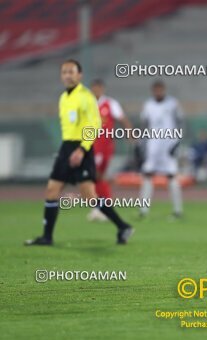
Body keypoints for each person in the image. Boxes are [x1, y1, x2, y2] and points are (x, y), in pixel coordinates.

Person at [25, 59, 134, 246]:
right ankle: (47, 237)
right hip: (66, 147)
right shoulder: (64, 97)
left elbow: (95, 124)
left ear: (79, 75)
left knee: (90, 196)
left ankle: (123, 226)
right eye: (64, 72)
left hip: (81, 148)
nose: (67, 75)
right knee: (52, 190)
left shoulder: (86, 96)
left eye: (71, 72)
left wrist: (82, 149)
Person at [87, 79, 133, 222]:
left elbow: (122, 119)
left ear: (103, 88)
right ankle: (103, 208)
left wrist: (129, 133)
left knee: (95, 176)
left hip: (104, 146)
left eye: (99, 87)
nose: (97, 90)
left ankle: (101, 208)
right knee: (97, 177)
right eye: (94, 87)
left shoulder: (110, 103)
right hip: (90, 145)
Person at [139, 80, 184, 218]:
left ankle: (177, 210)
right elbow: (145, 125)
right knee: (147, 174)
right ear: (153, 91)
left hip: (169, 145)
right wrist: (142, 143)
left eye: (160, 90)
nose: (158, 92)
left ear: (164, 90)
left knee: (171, 176)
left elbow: (181, 123)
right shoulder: (148, 105)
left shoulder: (173, 104)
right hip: (153, 146)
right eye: (156, 90)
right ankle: (143, 210)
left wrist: (178, 142)